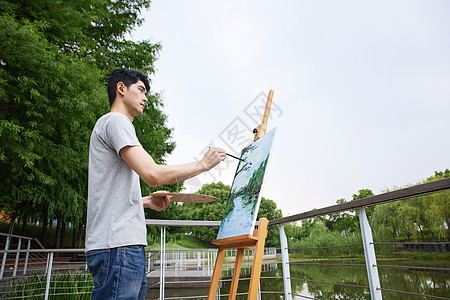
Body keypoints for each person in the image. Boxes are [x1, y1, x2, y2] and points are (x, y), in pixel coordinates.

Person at [85, 68, 226, 299]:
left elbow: (109, 196)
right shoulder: (116, 121)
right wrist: (202, 165)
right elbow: (152, 174)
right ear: (121, 88)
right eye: (140, 90)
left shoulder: (111, 125)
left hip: (119, 246)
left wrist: (147, 201)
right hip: (118, 246)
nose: (145, 98)